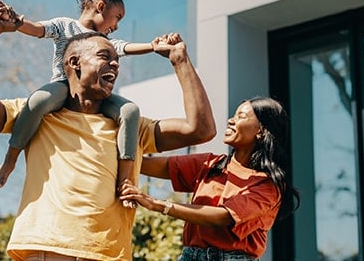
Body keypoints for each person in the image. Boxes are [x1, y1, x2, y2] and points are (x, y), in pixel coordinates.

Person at [0, 3, 215, 260]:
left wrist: (180, 61)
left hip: (111, 254)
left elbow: (200, 130)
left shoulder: (131, 126)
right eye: (105, 56)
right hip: (49, 248)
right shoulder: (37, 115)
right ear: (74, 64)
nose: (115, 64)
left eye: (116, 59)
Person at [0, 0, 156, 206]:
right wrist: (17, 22)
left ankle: (125, 182)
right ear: (100, 6)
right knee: (37, 101)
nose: (117, 25)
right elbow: (38, 29)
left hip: (95, 94)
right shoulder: (65, 26)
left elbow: (124, 46)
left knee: (129, 111)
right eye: (117, 16)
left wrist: (153, 45)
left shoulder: (104, 42)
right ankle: (10, 160)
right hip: (64, 87)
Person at [120, 97, 301, 260]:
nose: (231, 120)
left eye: (241, 117)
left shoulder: (267, 185)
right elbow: (143, 164)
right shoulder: (211, 164)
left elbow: (221, 217)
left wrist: (157, 204)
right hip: (190, 256)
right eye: (233, 115)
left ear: (261, 131)